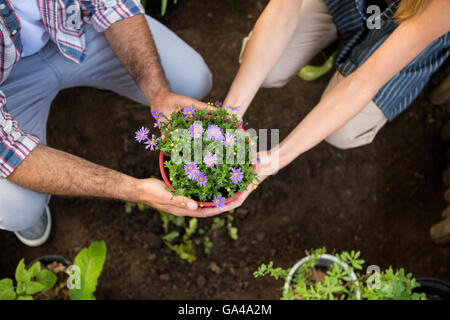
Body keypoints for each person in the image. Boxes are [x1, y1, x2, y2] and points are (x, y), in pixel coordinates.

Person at [0, 0, 215, 247]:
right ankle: (31, 214)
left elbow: (112, 4)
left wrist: (158, 92)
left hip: (73, 27)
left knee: (192, 81)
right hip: (10, 80)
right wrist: (134, 189)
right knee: (17, 208)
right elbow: (7, 150)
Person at [202, 0, 450, 214]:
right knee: (268, 68)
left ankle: (351, 51)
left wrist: (275, 159)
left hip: (415, 24)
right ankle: (338, 39)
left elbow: (364, 82)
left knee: (343, 130)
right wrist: (227, 119)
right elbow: (280, 12)